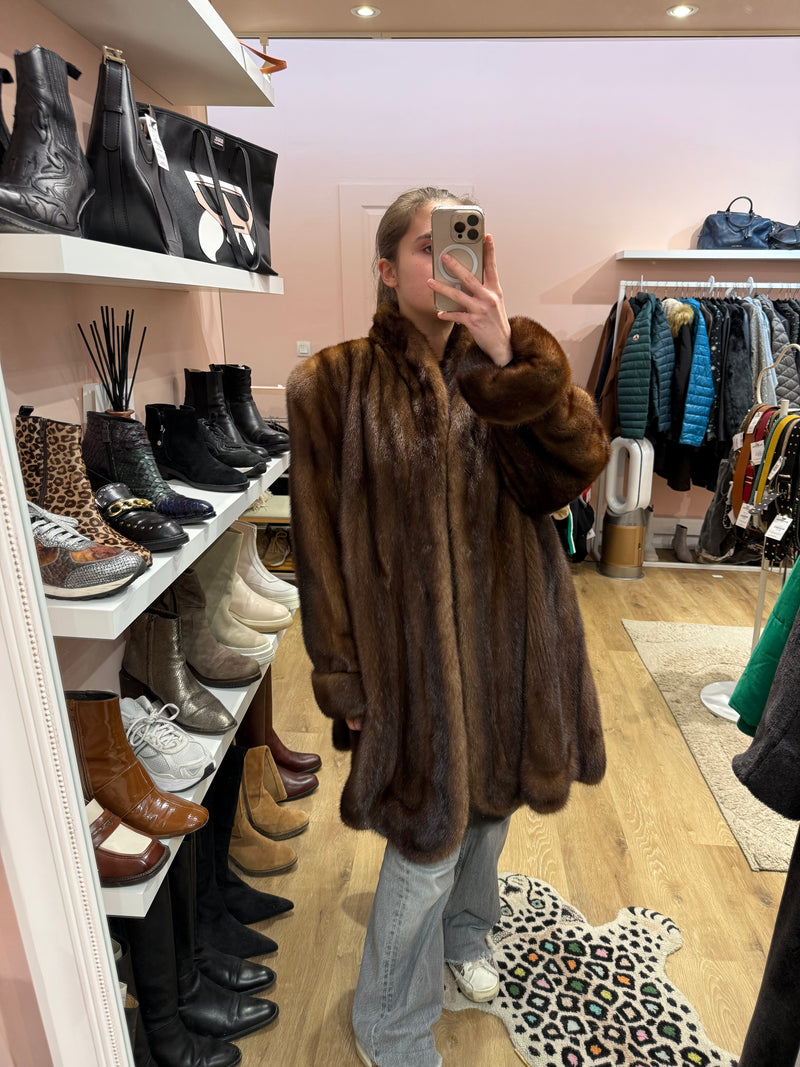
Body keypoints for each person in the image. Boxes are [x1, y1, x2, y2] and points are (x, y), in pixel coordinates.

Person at [286, 186, 610, 1067]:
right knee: (426, 842)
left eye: (460, 243)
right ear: (387, 270)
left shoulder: (502, 369)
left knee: (491, 815)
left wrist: (511, 358)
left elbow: (571, 471)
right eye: (427, 247)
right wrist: (343, 677)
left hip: (514, 642)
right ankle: (389, 1021)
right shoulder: (330, 386)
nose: (448, 261)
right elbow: (318, 549)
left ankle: (468, 935)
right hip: (410, 663)